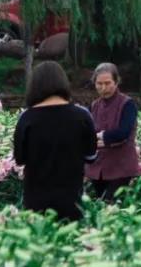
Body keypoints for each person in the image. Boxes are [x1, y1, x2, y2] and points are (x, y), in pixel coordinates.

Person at [12, 62, 97, 221]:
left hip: (36, 199)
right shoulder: (83, 116)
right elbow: (91, 157)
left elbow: (20, 159)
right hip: (72, 198)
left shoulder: (26, 118)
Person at [86, 63, 141, 202]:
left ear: (116, 82)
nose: (103, 88)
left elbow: (124, 132)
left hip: (121, 166)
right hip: (98, 168)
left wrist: (101, 136)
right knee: (100, 205)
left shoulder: (127, 104)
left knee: (112, 204)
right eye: (99, 84)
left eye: (107, 83)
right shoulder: (94, 105)